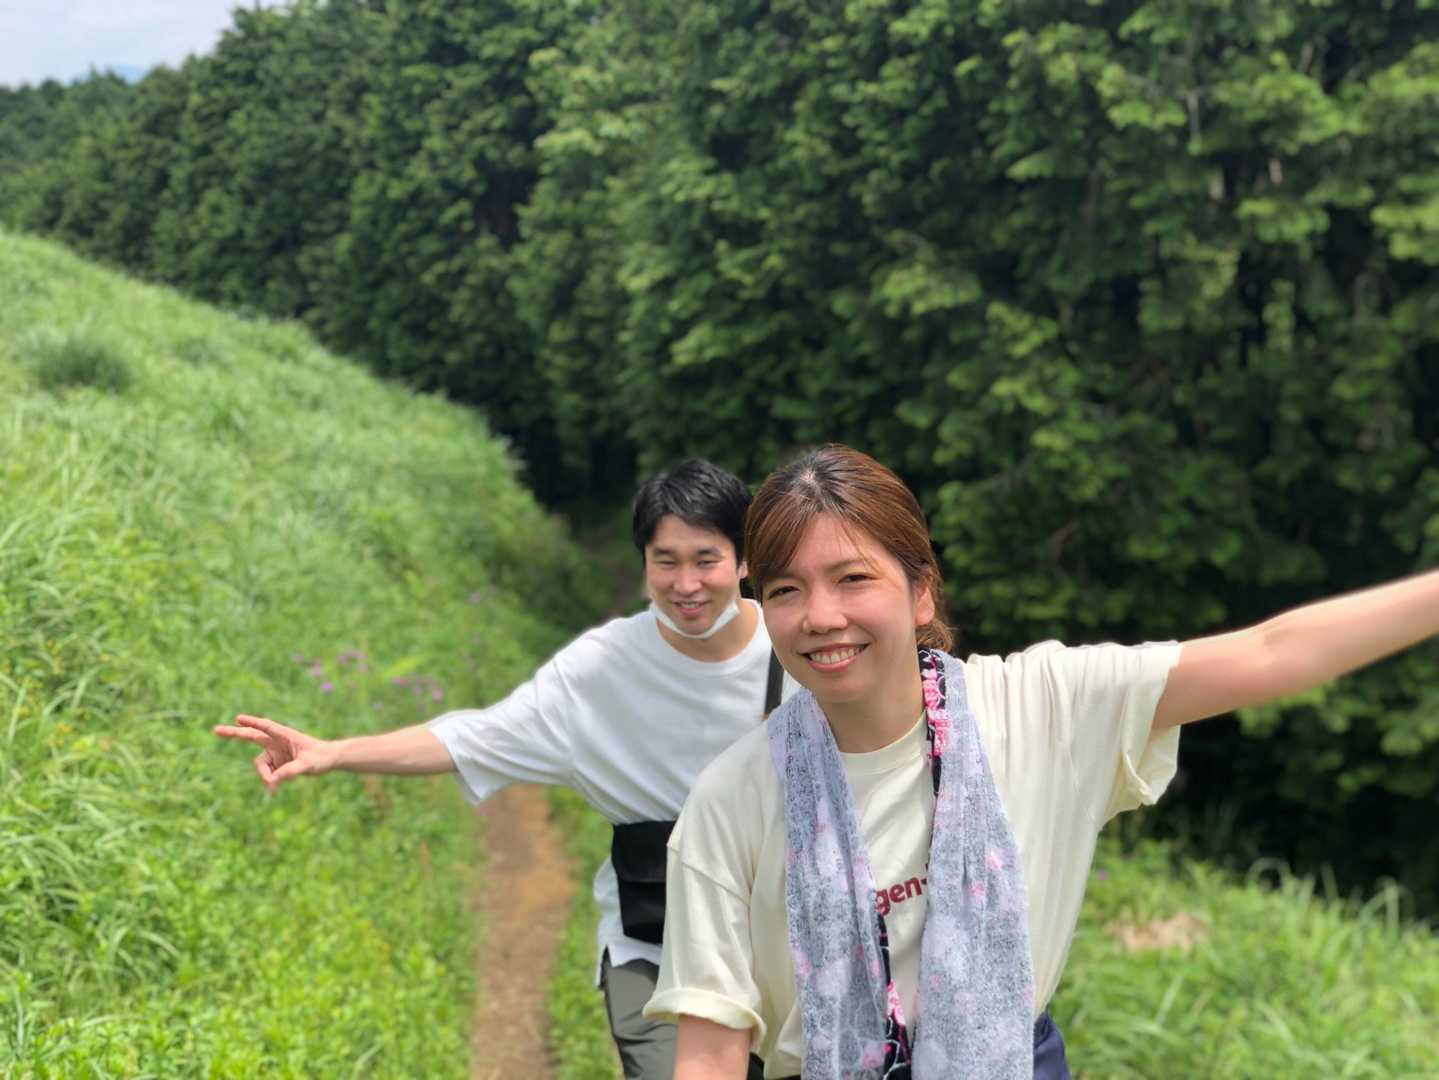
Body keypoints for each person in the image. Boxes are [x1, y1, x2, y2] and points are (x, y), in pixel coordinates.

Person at [644, 444, 1439, 1080]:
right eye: (785, 590)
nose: (821, 616)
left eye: (853, 579)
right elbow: (711, 1053)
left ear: (920, 593)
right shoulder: (733, 799)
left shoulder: (1042, 708)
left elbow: (1272, 653)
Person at [215, 459, 788, 1080]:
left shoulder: (795, 650)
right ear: (644, 561)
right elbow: (476, 736)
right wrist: (334, 752)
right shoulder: (600, 669)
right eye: (665, 561)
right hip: (655, 952)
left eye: (706, 560)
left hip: (783, 950)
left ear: (744, 561)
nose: (686, 583)